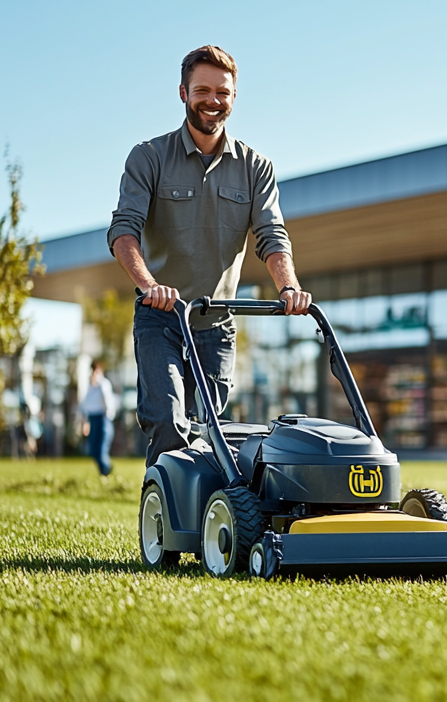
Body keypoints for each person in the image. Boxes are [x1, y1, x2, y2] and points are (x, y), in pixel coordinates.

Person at [108, 45, 311, 467]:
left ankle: (210, 523)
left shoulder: (256, 167)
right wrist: (149, 285)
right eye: (202, 90)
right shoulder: (149, 157)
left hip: (216, 320)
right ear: (183, 92)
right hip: (161, 315)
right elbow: (124, 230)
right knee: (167, 421)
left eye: (223, 92)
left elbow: (272, 234)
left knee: (210, 432)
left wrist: (288, 286)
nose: (213, 101)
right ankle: (162, 528)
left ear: (234, 98)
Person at [81, 360, 117, 475]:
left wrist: (108, 418)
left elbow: (109, 402)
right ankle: (105, 470)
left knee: (102, 449)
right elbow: (86, 405)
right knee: (93, 449)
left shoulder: (104, 384)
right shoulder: (89, 387)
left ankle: (105, 471)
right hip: (93, 418)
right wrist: (85, 422)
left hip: (103, 418)